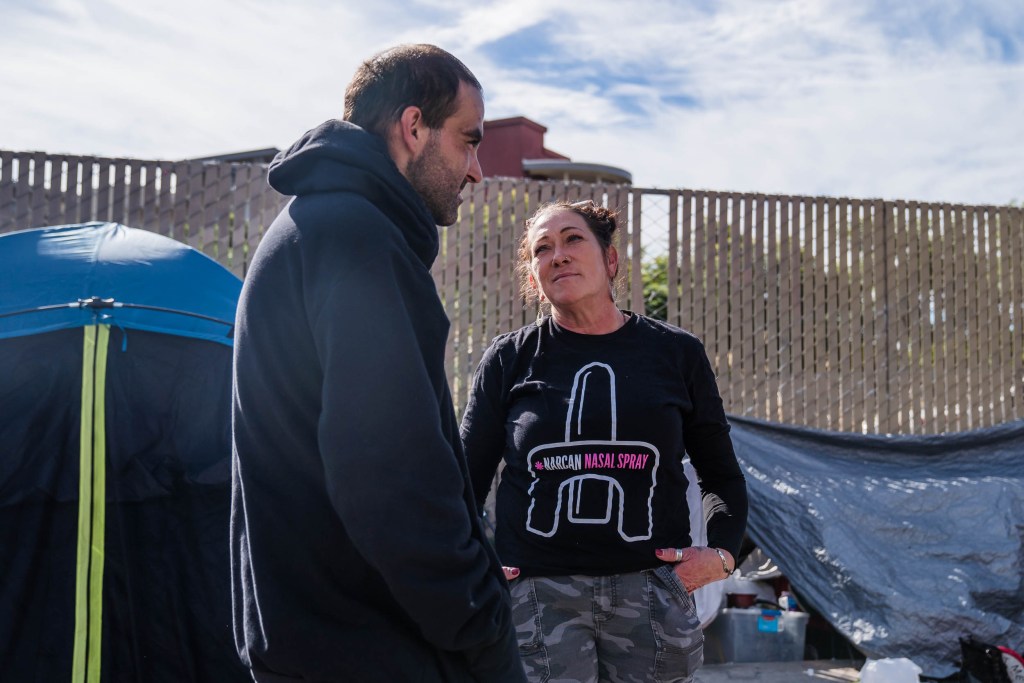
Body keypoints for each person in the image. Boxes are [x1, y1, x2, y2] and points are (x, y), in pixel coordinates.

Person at [230, 44, 525, 683]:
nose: (477, 170)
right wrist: (484, 628)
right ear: (413, 127)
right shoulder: (356, 238)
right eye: (468, 142)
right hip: (371, 650)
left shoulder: (319, 224)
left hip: (325, 643)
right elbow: (393, 475)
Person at [460, 200, 748, 683]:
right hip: (538, 599)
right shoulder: (509, 359)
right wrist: (481, 568)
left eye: (573, 239)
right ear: (533, 276)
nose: (559, 255)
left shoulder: (676, 354)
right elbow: (463, 482)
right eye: (542, 249)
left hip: (652, 592)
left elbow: (721, 475)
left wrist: (719, 556)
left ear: (610, 260)